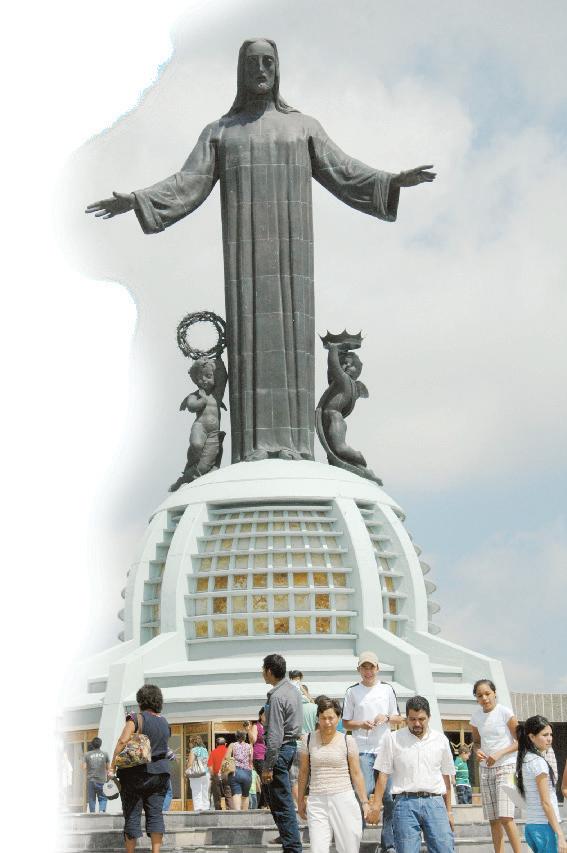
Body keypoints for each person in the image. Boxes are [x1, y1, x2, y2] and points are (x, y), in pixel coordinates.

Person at [86, 39, 435, 464]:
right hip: (244, 256)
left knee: (293, 338)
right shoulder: (221, 132)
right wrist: (138, 200)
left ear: (278, 69)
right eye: (253, 63)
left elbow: (344, 170)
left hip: (293, 257)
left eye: (269, 62)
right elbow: (188, 182)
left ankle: (296, 446)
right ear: (241, 71)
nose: (261, 70)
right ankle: (252, 447)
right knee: (250, 338)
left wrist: (391, 181)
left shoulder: (302, 127)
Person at [369, 695, 455, 853]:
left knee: (445, 849)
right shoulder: (393, 739)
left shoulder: (441, 740)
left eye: (421, 719)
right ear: (406, 718)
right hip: (404, 804)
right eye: (412, 719)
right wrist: (376, 805)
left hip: (435, 803)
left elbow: (446, 778)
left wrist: (449, 811)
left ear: (429, 717)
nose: (417, 723)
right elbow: (383, 775)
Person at [342, 651, 403, 853]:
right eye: (364, 667)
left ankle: (389, 844)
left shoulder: (387, 689)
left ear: (378, 669)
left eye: (371, 667)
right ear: (359, 669)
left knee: (389, 797)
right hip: (362, 750)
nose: (368, 671)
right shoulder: (352, 691)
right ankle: (353, 842)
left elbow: (398, 718)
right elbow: (345, 722)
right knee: (362, 793)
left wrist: (386, 717)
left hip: (385, 750)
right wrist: (361, 724)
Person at [298, 696, 369, 853]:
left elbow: (356, 773)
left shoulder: (348, 741)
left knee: (349, 847)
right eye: (323, 718)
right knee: (318, 849)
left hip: (343, 798)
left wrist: (364, 801)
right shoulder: (308, 740)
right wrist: (300, 800)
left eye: (331, 718)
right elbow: (303, 772)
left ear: (338, 718)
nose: (327, 722)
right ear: (318, 718)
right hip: (317, 800)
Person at [109, 684, 171, 853]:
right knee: (155, 814)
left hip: (135, 774)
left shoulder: (135, 718)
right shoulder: (164, 722)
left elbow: (122, 741)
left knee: (132, 814)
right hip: (161, 774)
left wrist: (112, 766)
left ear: (141, 701)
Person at [470, 679, 522, 853]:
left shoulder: (505, 712)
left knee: (506, 817)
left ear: (494, 693)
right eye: (480, 695)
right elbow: (476, 742)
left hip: (507, 767)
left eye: (487, 693)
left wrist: (500, 753)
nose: (484, 698)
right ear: (476, 698)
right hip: (485, 769)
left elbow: (521, 741)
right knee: (493, 820)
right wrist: (477, 751)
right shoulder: (475, 717)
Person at [261, 653, 303, 853]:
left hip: (280, 750)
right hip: (290, 747)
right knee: (277, 799)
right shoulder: (294, 690)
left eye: (263, 670)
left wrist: (268, 765)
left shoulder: (277, 696)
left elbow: (275, 734)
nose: (262, 674)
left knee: (282, 802)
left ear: (269, 671)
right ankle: (289, 839)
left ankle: (292, 846)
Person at [516, 716, 566, 853]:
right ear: (532, 737)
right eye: (545, 735)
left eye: (550, 734)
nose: (549, 739)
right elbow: (546, 802)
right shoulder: (538, 763)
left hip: (532, 826)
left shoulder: (526, 759)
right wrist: (560, 835)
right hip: (545, 827)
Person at [225, 729, 253, 810]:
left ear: (236, 737)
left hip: (235, 772)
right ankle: (245, 814)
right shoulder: (249, 746)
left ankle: (238, 813)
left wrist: (233, 759)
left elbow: (227, 757)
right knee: (245, 796)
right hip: (247, 772)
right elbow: (251, 760)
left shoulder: (232, 745)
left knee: (236, 794)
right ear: (245, 737)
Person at [83, 737, 110, 814]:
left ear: (92, 744)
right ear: (100, 744)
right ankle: (101, 811)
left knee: (91, 798)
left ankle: (92, 813)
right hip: (102, 780)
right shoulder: (105, 754)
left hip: (91, 780)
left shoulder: (87, 754)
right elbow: (108, 768)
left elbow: (84, 767)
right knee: (103, 797)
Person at [208, 736, 233, 810]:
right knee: (228, 794)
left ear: (216, 744)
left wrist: (213, 776)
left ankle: (218, 811)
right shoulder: (228, 751)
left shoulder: (213, 752)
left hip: (216, 775)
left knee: (217, 796)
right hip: (227, 775)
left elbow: (210, 766)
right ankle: (230, 811)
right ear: (225, 744)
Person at [186, 736, 210, 811]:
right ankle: (206, 808)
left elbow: (190, 764)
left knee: (197, 792)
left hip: (197, 774)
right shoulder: (205, 750)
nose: (189, 744)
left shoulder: (193, 750)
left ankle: (198, 809)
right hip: (206, 773)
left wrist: (186, 770)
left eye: (189, 742)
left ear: (193, 743)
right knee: (205, 792)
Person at [251, 709, 268, 808]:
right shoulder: (256, 726)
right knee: (264, 779)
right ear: (260, 715)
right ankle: (265, 804)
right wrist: (248, 730)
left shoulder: (269, 726)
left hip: (268, 756)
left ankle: (262, 804)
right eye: (265, 714)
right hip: (259, 756)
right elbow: (253, 740)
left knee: (267, 780)